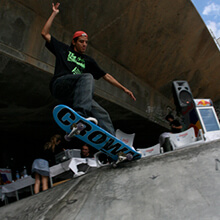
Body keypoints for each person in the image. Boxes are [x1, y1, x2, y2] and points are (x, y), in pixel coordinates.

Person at [41, 2, 136, 136]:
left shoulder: (88, 61)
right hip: (60, 85)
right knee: (87, 77)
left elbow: (106, 75)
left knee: (101, 112)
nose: (84, 45)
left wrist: (124, 88)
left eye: (86, 42)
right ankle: (80, 117)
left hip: (76, 94)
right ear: (74, 42)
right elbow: (44, 33)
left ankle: (114, 144)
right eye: (81, 42)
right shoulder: (63, 49)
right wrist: (54, 14)